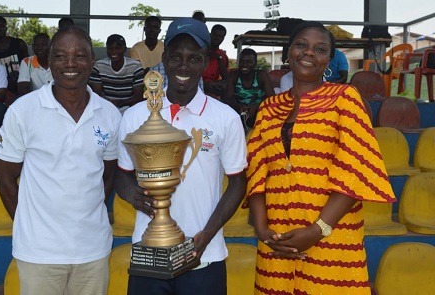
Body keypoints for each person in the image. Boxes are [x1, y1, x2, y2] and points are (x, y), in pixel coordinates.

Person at [244, 21, 396, 295]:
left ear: (329, 60)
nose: (309, 53)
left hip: (332, 234)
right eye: (301, 45)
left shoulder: (345, 98)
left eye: (320, 48)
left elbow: (356, 168)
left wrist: (317, 230)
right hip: (278, 240)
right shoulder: (268, 109)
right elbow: (256, 171)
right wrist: (263, 228)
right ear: (288, 52)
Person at [117, 17, 247, 295]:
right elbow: (122, 175)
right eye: (176, 57)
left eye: (194, 58)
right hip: (149, 253)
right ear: (164, 58)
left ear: (205, 61)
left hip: (205, 254)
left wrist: (205, 237)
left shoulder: (226, 118)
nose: (184, 66)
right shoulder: (136, 116)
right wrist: (132, 195)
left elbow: (238, 183)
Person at [0, 26, 122, 295]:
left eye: (80, 55)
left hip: (93, 251)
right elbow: (4, 180)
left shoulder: (109, 114)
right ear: (49, 62)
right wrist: (31, 226)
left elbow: (108, 178)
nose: (70, 63)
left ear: (92, 61)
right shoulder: (23, 111)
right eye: (61, 56)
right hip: (39, 254)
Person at [89, 34, 144, 113]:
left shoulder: (135, 66)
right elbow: (96, 95)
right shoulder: (98, 66)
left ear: (124, 49)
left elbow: (138, 97)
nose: (114, 52)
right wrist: (109, 104)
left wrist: (120, 103)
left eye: (118, 48)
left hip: (129, 108)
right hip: (105, 107)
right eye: (110, 48)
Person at [224, 48, 274, 130]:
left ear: (255, 63)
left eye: (249, 62)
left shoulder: (261, 75)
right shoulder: (233, 75)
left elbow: (271, 98)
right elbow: (228, 98)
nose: (244, 64)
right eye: (242, 61)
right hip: (238, 113)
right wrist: (239, 107)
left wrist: (256, 107)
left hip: (260, 113)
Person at [0, 16, 29, 94]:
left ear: (6, 28)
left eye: (2, 26)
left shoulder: (19, 44)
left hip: (20, 87)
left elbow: (28, 65)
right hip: (0, 90)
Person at [202, 24, 229, 99]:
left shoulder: (222, 56)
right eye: (215, 35)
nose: (217, 38)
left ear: (223, 39)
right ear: (210, 34)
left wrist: (219, 58)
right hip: (196, 84)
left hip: (212, 89)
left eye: (220, 37)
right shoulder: (200, 50)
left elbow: (226, 77)